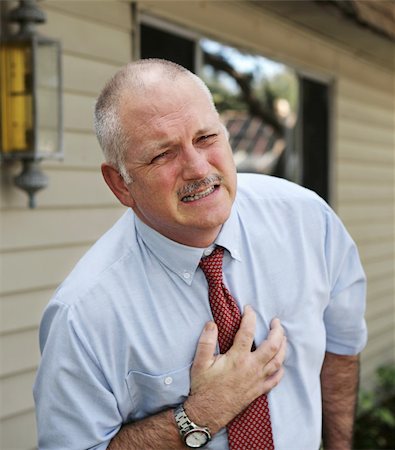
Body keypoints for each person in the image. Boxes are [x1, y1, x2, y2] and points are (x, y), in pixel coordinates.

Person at [33, 59, 367, 450]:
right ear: (120, 184)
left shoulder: (309, 222)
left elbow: (341, 348)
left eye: (206, 138)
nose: (196, 167)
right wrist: (200, 414)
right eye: (162, 155)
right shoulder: (82, 315)